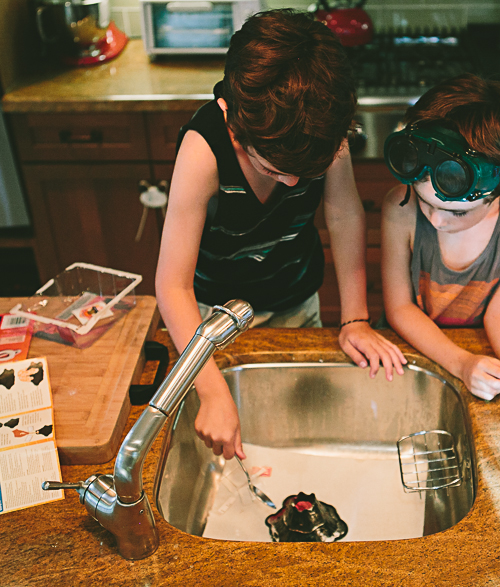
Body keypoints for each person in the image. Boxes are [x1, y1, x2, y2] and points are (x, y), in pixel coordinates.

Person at [155, 9, 406, 461]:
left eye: (304, 175)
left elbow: (345, 214)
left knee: (296, 433)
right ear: (232, 117)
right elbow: (172, 285)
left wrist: (355, 318)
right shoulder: (202, 150)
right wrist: (211, 392)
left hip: (296, 301)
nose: (293, 185)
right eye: (274, 170)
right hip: (210, 323)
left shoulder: (324, 132)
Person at [380, 73, 500, 439]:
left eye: (456, 213)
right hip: (414, 351)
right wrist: (462, 362)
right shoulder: (398, 207)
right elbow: (399, 309)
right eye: (424, 202)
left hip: (482, 352)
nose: (436, 220)